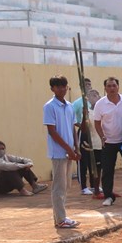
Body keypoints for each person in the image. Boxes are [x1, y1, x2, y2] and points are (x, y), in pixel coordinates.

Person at [43, 75, 81, 228]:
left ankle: (61, 216)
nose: (62, 89)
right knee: (59, 186)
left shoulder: (69, 106)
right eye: (58, 87)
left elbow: (72, 127)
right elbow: (52, 131)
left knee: (65, 186)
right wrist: (68, 149)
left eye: (64, 86)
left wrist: (76, 148)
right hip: (59, 152)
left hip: (69, 150)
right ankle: (60, 219)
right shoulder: (49, 106)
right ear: (52, 88)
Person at [93, 77, 122, 206]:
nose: (112, 88)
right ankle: (108, 196)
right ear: (105, 88)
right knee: (107, 171)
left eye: (114, 86)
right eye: (109, 86)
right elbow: (97, 122)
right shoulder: (100, 104)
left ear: (118, 87)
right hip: (109, 142)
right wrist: (102, 136)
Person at [76, 88, 103, 196]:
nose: (95, 97)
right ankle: (83, 186)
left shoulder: (101, 111)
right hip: (86, 140)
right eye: (92, 96)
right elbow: (83, 128)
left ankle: (94, 185)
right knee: (84, 163)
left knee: (96, 166)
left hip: (98, 142)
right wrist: (84, 116)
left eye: (96, 95)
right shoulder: (88, 112)